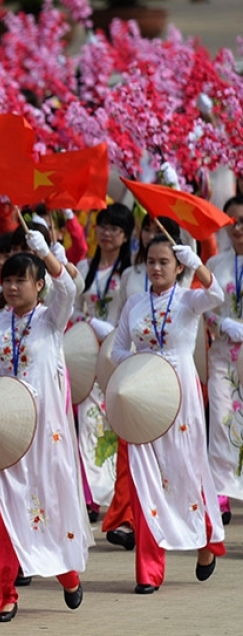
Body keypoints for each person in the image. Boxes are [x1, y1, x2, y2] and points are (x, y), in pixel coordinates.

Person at [0, 236, 88, 622]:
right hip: (6, 429)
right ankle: (4, 594)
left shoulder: (51, 318)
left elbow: (69, 288)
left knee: (46, 504)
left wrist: (45, 253)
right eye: (6, 280)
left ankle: (68, 575)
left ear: (39, 284)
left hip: (45, 432)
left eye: (21, 280)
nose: (11, 287)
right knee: (3, 508)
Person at [110, 237, 225, 594]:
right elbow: (116, 350)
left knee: (186, 471)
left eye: (164, 262)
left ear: (178, 267)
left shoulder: (190, 299)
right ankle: (148, 570)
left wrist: (200, 266)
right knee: (146, 479)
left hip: (181, 396)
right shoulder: (135, 303)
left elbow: (217, 296)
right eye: (151, 262)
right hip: (144, 395)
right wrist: (139, 368)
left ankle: (205, 544)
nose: (156, 268)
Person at [75, 204, 135, 523]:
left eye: (115, 229)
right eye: (103, 227)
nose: (107, 233)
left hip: (115, 352)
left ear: (126, 237)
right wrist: (84, 322)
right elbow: (71, 308)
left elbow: (129, 314)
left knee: (113, 422)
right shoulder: (84, 266)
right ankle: (91, 494)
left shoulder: (128, 274)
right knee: (88, 421)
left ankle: (115, 494)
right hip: (86, 355)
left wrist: (109, 332)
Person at [204, 196, 243, 521]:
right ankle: (219, 491)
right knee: (219, 419)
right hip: (222, 355)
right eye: (232, 222)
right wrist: (221, 323)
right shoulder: (217, 264)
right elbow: (205, 310)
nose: (238, 228)